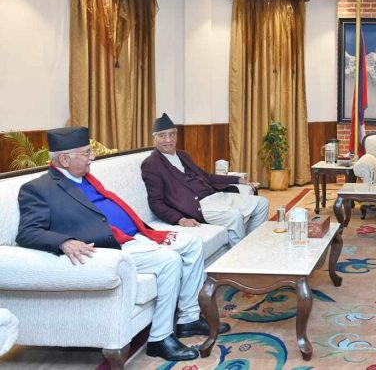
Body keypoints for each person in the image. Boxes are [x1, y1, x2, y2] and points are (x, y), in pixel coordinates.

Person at [16, 126, 229, 362]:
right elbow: (27, 232)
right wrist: (64, 241)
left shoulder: (86, 178)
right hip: (109, 246)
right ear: (65, 159)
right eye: (86, 153)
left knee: (193, 244)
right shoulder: (39, 189)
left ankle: (188, 319)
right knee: (169, 260)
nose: (92, 158)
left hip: (137, 234)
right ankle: (160, 339)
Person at [141, 113, 269, 246]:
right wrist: (180, 219)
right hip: (199, 206)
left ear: (176, 135)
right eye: (162, 136)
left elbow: (207, 176)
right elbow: (155, 202)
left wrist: (237, 179)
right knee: (234, 216)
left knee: (262, 203)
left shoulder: (182, 155)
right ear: (154, 139)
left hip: (215, 196)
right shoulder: (152, 164)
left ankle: (253, 245)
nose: (168, 140)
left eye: (171, 134)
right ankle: (240, 255)